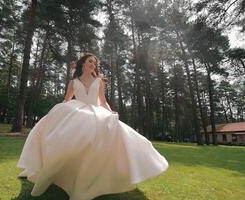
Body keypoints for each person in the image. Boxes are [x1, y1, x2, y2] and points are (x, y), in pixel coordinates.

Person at [17, 53, 169, 200]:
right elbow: (67, 100)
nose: (93, 64)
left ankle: (92, 178)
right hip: (77, 111)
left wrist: (110, 113)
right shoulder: (73, 82)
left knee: (113, 135)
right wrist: (58, 114)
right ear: (83, 63)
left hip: (96, 112)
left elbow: (102, 101)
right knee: (67, 141)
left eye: (95, 63)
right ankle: (59, 172)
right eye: (90, 61)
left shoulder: (99, 81)